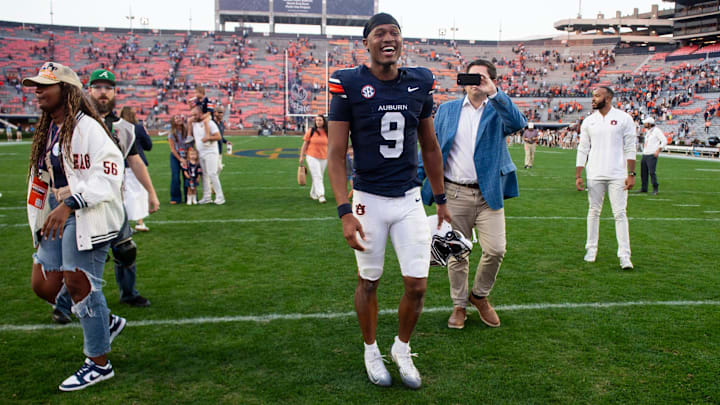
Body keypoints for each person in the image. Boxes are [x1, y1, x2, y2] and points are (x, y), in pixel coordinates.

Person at [327, 12, 450, 390]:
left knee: (417, 285)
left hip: (410, 198)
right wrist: (345, 211)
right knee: (369, 281)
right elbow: (335, 153)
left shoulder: (419, 82)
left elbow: (429, 146)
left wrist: (441, 199)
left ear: (401, 41)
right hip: (368, 200)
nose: (387, 39)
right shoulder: (348, 82)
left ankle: (401, 347)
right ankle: (370, 349)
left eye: (394, 33)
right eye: (379, 33)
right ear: (366, 42)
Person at [23, 62, 126, 391]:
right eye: (36, 85)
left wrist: (70, 203)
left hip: (86, 211)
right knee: (43, 284)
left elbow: (110, 171)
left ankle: (99, 363)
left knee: (80, 284)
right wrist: (45, 211)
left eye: (45, 85)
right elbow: (43, 177)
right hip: (59, 209)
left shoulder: (89, 128)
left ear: (65, 91)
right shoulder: (51, 127)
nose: (37, 90)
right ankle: (104, 320)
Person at [420, 59, 526, 330]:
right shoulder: (448, 109)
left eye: (481, 77)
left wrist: (495, 92)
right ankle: (459, 306)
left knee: (496, 249)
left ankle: (479, 296)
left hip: (489, 193)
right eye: (471, 77)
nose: (474, 82)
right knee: (457, 254)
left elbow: (518, 123)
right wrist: (419, 178)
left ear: (490, 80)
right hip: (454, 192)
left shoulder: (497, 110)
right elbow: (432, 146)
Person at [53, 69, 155, 321]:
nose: (103, 92)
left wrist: (151, 193)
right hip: (82, 202)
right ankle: (63, 305)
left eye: (108, 87)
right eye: (97, 87)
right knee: (83, 255)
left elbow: (135, 161)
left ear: (114, 92)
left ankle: (128, 293)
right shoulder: (73, 123)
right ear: (88, 91)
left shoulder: (124, 129)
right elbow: (56, 159)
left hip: (112, 201)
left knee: (125, 250)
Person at [576, 86, 636, 270]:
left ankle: (624, 255)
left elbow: (630, 147)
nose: (593, 99)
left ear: (608, 98)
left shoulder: (624, 118)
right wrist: (578, 174)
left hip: (618, 174)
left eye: (597, 96)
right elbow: (583, 148)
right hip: (594, 173)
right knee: (593, 212)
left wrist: (631, 174)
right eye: (593, 96)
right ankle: (591, 249)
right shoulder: (588, 121)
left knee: (620, 214)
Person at [120, 106, 152, 232]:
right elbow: (148, 145)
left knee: (125, 194)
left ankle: (125, 224)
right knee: (139, 193)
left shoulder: (117, 128)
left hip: (121, 164)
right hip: (137, 163)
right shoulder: (138, 128)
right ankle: (139, 222)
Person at [190, 103, 225, 205]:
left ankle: (220, 196)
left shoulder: (210, 123)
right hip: (201, 152)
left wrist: (209, 138)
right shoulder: (194, 124)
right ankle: (207, 197)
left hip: (211, 152)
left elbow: (218, 137)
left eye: (195, 115)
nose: (193, 117)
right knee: (204, 175)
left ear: (201, 114)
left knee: (212, 174)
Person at [299, 114, 329, 203]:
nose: (318, 122)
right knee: (318, 176)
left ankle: (313, 193)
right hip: (312, 156)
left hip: (324, 156)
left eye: (320, 120)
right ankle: (321, 195)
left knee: (319, 176)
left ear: (324, 121)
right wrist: (301, 156)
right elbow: (304, 144)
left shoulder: (327, 132)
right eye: (317, 120)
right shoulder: (311, 131)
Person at [639, 117, 667, 195]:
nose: (644, 124)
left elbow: (664, 140)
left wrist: (658, 150)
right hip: (645, 153)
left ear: (650, 124)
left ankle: (655, 188)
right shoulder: (648, 131)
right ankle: (644, 188)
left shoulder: (656, 131)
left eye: (646, 123)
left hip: (652, 154)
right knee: (643, 172)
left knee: (652, 172)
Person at [168, 114, 188, 204]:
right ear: (173, 121)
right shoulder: (172, 133)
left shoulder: (186, 130)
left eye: (180, 117)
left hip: (186, 155)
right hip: (175, 156)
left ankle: (189, 196)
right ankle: (175, 198)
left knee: (187, 176)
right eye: (176, 117)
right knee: (175, 177)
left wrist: (187, 157)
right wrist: (180, 159)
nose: (179, 119)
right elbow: (172, 149)